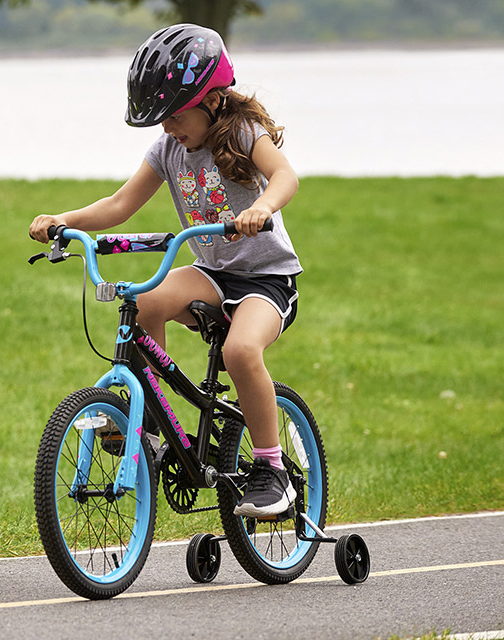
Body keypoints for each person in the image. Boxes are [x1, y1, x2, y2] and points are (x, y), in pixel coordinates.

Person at [29, 24, 303, 518]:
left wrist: (261, 207)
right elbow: (119, 204)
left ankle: (272, 471)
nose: (169, 128)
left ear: (214, 100)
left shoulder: (243, 133)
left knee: (242, 351)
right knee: (144, 302)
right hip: (213, 273)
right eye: (161, 119)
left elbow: (285, 175)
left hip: (266, 280)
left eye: (175, 116)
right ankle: (151, 427)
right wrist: (63, 221)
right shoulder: (167, 149)